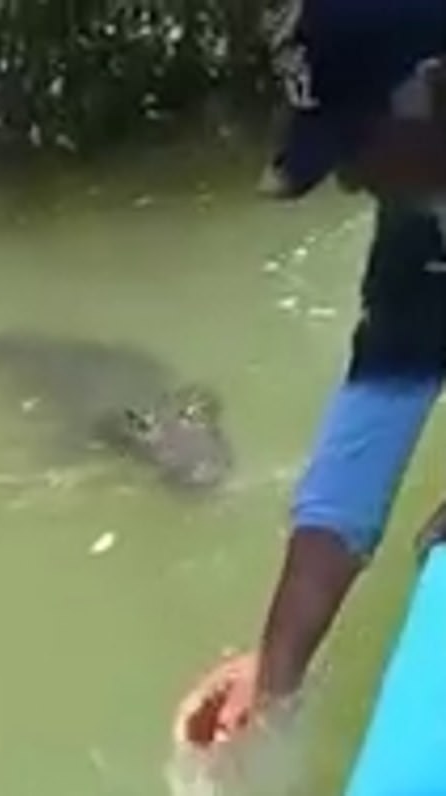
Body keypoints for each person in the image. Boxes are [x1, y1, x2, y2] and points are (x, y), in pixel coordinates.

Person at [175, 0, 446, 747]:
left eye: (356, 140)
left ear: (434, 85)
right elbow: (378, 404)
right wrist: (276, 671)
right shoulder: (422, 216)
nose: (351, 181)